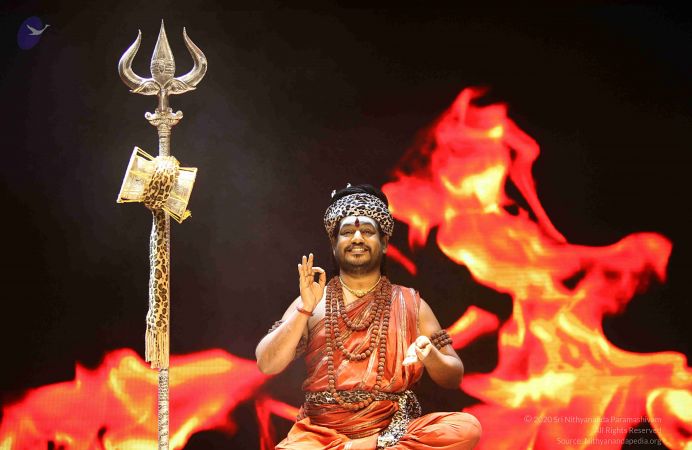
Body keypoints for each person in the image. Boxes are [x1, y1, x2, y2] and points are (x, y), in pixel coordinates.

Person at [256, 184, 481, 450]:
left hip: (391, 433)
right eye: (347, 232)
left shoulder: (411, 303)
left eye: (367, 231)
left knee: (466, 428)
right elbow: (267, 364)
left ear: (384, 243)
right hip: (321, 436)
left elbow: (453, 377)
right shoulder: (313, 302)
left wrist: (430, 355)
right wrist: (304, 309)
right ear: (334, 244)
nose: (357, 238)